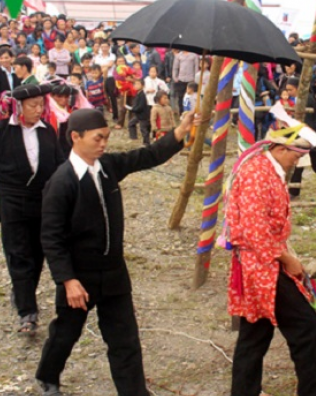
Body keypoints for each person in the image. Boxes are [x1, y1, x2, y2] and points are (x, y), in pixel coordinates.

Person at [35, 108, 198, 396]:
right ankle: (48, 376)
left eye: (107, 138)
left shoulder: (108, 166)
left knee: (125, 339)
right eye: (98, 138)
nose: (104, 144)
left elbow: (145, 157)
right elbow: (51, 237)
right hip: (79, 277)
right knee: (66, 333)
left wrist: (180, 133)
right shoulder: (61, 183)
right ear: (76, 137)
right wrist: (67, 280)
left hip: (113, 272)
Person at [220, 111, 316, 396]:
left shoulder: (267, 169)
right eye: (295, 156)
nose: (296, 162)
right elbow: (256, 230)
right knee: (307, 328)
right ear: (280, 148)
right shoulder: (257, 173)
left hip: (262, 262)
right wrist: (288, 259)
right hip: (262, 266)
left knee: (255, 334)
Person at [0, 83, 65, 335]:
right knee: (18, 256)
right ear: (18, 106)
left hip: (43, 205)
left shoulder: (47, 132)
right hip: (12, 204)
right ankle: (27, 313)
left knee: (37, 256)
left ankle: (23, 292)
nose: (38, 110)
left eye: (40, 105)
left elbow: (60, 166)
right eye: (32, 105)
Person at [129, 78, 150, 144]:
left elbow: (140, 106)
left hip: (143, 116)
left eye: (138, 84)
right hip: (138, 115)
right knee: (131, 123)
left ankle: (146, 142)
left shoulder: (142, 95)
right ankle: (133, 137)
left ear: (143, 86)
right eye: (135, 84)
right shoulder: (138, 94)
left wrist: (133, 109)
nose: (136, 85)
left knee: (143, 129)